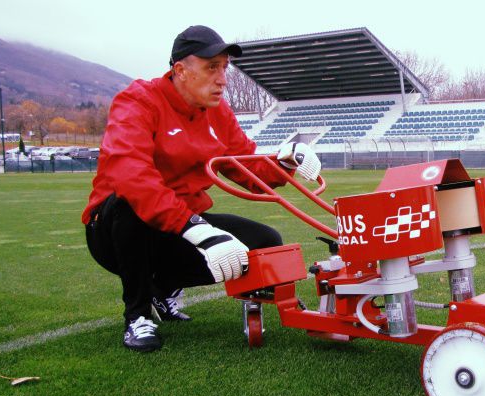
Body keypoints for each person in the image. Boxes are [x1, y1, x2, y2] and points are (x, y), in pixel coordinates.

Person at [82, 25, 321, 352]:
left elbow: (244, 165)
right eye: (212, 67)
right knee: (128, 203)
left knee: (265, 241)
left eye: (224, 68)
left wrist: (285, 162)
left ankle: (164, 287)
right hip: (114, 231)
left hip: (178, 225)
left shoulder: (218, 112)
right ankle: (137, 315)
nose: (222, 78)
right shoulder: (138, 100)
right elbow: (131, 175)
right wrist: (195, 228)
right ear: (180, 70)